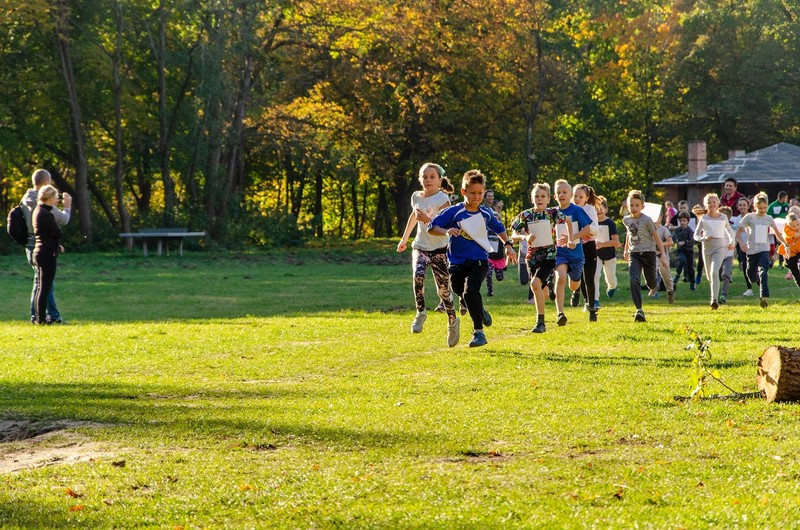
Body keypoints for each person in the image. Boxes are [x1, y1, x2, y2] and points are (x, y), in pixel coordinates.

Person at [428, 170, 517, 347]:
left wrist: (508, 246)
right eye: (472, 193)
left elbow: (499, 228)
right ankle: (480, 311)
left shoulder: (486, 213)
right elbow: (432, 227)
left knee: (470, 291)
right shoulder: (454, 212)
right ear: (463, 192)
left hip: (479, 260)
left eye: (480, 193)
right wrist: (446, 231)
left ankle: (479, 333)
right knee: (459, 289)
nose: (477, 197)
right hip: (456, 263)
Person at [397, 163, 459, 346]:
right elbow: (413, 217)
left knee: (444, 291)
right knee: (418, 276)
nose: (428, 180)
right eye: (424, 177)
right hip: (421, 246)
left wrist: (428, 220)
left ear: (439, 180)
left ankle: (453, 321)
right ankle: (420, 312)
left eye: (432, 177)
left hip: (440, 249)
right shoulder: (416, 196)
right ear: (420, 179)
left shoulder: (442, 198)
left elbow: (447, 226)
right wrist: (404, 238)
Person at [510, 183, 572, 333]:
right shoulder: (525, 215)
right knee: (540, 289)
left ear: (548, 199)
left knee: (534, 284)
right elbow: (513, 235)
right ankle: (549, 287)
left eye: (543, 196)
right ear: (532, 199)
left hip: (549, 256)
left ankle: (540, 322)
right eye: (536, 196)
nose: (539, 199)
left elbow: (568, 220)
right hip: (532, 257)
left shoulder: (552, 213)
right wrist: (525, 237)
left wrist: (570, 239)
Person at [22, 169, 71, 324]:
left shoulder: (25, 199)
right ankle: (48, 316)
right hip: (42, 246)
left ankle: (37, 316)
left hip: (30, 244)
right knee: (45, 285)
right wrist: (67, 206)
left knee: (39, 283)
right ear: (45, 183)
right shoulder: (43, 204)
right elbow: (62, 221)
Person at [735, 192, 789, 308]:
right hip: (751, 250)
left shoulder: (768, 218)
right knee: (751, 276)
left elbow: (777, 233)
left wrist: (785, 243)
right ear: (754, 207)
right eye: (760, 208)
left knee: (764, 272)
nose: (763, 210)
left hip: (764, 249)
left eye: (765, 208)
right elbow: (738, 233)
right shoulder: (749, 217)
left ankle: (763, 297)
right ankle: (756, 279)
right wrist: (741, 243)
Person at [553, 179, 595, 325]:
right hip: (560, 253)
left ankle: (576, 291)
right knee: (560, 278)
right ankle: (560, 314)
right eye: (558, 193)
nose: (561, 195)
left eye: (564, 192)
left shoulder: (577, 210)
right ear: (554, 196)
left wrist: (572, 238)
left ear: (570, 195)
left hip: (576, 255)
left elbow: (587, 230)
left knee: (574, 284)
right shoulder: (553, 212)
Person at [622, 190, 667, 322]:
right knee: (634, 279)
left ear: (642, 206)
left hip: (648, 253)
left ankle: (653, 286)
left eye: (637, 205)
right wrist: (625, 250)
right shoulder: (626, 219)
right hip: (634, 253)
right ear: (628, 206)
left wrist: (663, 255)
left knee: (650, 281)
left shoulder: (647, 220)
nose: (634, 208)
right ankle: (639, 309)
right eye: (631, 205)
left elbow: (657, 237)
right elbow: (628, 234)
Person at [693, 193, 736, 309]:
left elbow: (729, 230)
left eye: (714, 202)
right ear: (705, 205)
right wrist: (704, 238)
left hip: (719, 247)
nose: (711, 204)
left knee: (714, 271)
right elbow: (695, 235)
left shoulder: (723, 217)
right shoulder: (704, 218)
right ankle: (714, 296)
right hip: (707, 248)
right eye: (709, 202)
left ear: (718, 203)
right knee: (709, 276)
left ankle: (714, 300)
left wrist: (732, 242)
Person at [32, 185, 65, 325]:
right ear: (50, 198)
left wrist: (58, 245)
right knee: (45, 288)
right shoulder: (45, 214)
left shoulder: (38, 211)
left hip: (39, 251)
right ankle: (41, 319)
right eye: (56, 197)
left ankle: (39, 317)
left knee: (41, 287)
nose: (57, 200)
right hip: (46, 254)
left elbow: (46, 234)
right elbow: (57, 233)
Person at [571, 184, 601, 314]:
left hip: (588, 246)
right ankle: (579, 294)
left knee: (589, 277)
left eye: (580, 196)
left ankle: (592, 307)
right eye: (575, 196)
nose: (577, 199)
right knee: (578, 275)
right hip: (575, 245)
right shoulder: (570, 208)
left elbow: (595, 229)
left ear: (586, 198)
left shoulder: (589, 209)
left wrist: (587, 231)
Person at [594, 196, 621, 300]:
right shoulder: (592, 223)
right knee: (595, 275)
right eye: (596, 209)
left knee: (610, 277)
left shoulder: (610, 223)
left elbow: (616, 242)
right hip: (596, 254)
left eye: (601, 208)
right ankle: (595, 300)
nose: (599, 211)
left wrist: (602, 244)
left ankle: (612, 286)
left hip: (609, 255)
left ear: (606, 209)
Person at [729, 197, 753, 295]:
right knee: (744, 265)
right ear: (737, 207)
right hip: (742, 245)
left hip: (753, 244)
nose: (742, 207)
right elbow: (735, 233)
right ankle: (749, 288)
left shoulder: (752, 217)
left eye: (744, 205)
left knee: (754, 265)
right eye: (740, 205)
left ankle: (760, 281)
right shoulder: (736, 219)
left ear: (748, 206)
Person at [653, 214, 675, 303]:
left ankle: (670, 292)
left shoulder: (663, 230)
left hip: (663, 256)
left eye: (656, 217)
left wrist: (659, 244)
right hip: (651, 255)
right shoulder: (647, 229)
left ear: (660, 218)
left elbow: (671, 242)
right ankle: (654, 289)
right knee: (651, 272)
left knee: (666, 276)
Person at [672, 212, 695, 290]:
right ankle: (677, 275)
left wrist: (684, 242)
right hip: (681, 250)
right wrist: (673, 242)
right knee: (682, 260)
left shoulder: (690, 231)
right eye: (680, 220)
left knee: (690, 268)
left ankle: (692, 283)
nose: (682, 222)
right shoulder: (678, 230)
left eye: (684, 220)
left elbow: (692, 241)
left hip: (689, 251)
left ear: (688, 221)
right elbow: (674, 238)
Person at [717, 206, 736, 304]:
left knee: (725, 274)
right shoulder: (716, 228)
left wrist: (733, 245)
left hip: (728, 255)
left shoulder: (732, 228)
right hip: (717, 254)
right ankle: (715, 293)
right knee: (717, 275)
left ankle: (723, 294)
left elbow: (735, 238)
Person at [778, 212, 800, 288]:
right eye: (794, 226)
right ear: (788, 225)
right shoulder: (786, 229)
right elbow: (796, 235)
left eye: (798, 224)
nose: (797, 227)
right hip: (790, 254)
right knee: (796, 274)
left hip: (798, 250)